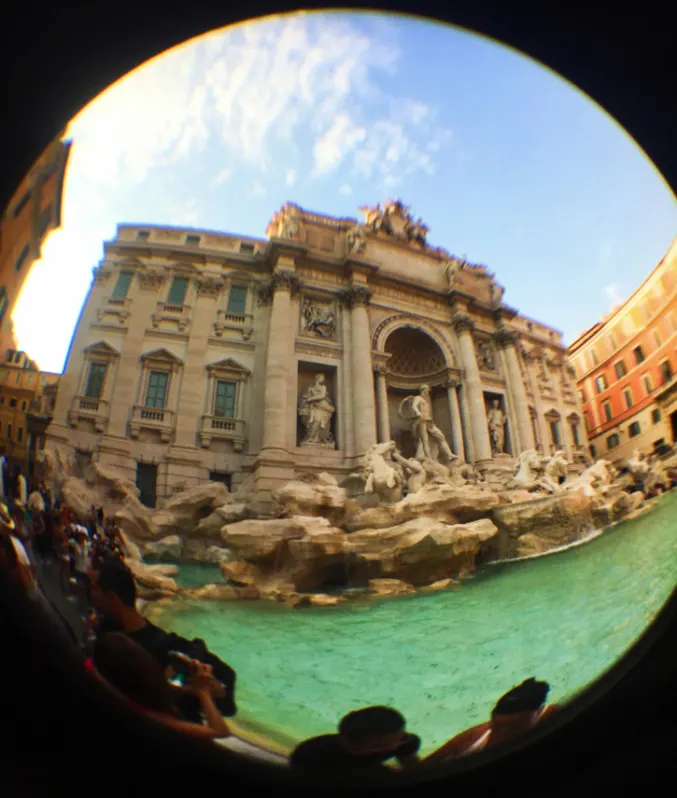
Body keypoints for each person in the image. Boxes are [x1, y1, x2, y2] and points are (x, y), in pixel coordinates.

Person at [89, 560, 237, 720]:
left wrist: (215, 692)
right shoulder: (107, 630)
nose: (91, 595)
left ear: (112, 596)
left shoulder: (163, 646)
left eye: (94, 589)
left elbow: (227, 691)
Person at [88, 633, 230, 740]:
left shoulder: (116, 691)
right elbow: (219, 731)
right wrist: (203, 692)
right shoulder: (150, 717)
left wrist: (192, 688)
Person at [425, 678, 560, 763]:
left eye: (511, 728)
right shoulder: (472, 741)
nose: (502, 734)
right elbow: (422, 769)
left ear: (537, 714)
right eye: (498, 727)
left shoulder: (551, 717)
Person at [290, 706, 421, 780]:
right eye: (385, 745)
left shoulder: (402, 741)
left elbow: (413, 767)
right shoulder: (310, 756)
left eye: (402, 737)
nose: (401, 742)